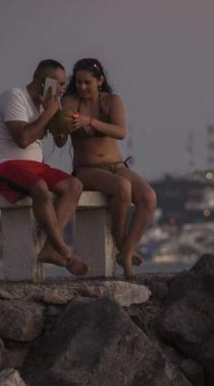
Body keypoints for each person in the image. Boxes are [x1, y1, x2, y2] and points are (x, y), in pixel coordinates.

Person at [0, 59, 88, 276]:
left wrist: (60, 119)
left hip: (33, 166)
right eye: (60, 84)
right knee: (39, 186)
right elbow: (23, 139)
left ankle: (48, 250)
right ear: (44, 82)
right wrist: (49, 112)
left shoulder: (46, 105)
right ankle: (66, 253)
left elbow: (60, 141)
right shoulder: (14, 97)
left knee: (74, 185)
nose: (63, 89)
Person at [53, 58, 156, 279]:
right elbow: (60, 141)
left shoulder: (112, 101)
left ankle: (125, 253)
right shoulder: (70, 101)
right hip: (87, 169)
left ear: (99, 81)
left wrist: (88, 122)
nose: (82, 87)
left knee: (148, 197)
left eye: (87, 82)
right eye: (79, 82)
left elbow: (120, 132)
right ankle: (121, 240)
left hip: (117, 165)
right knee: (122, 187)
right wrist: (61, 126)